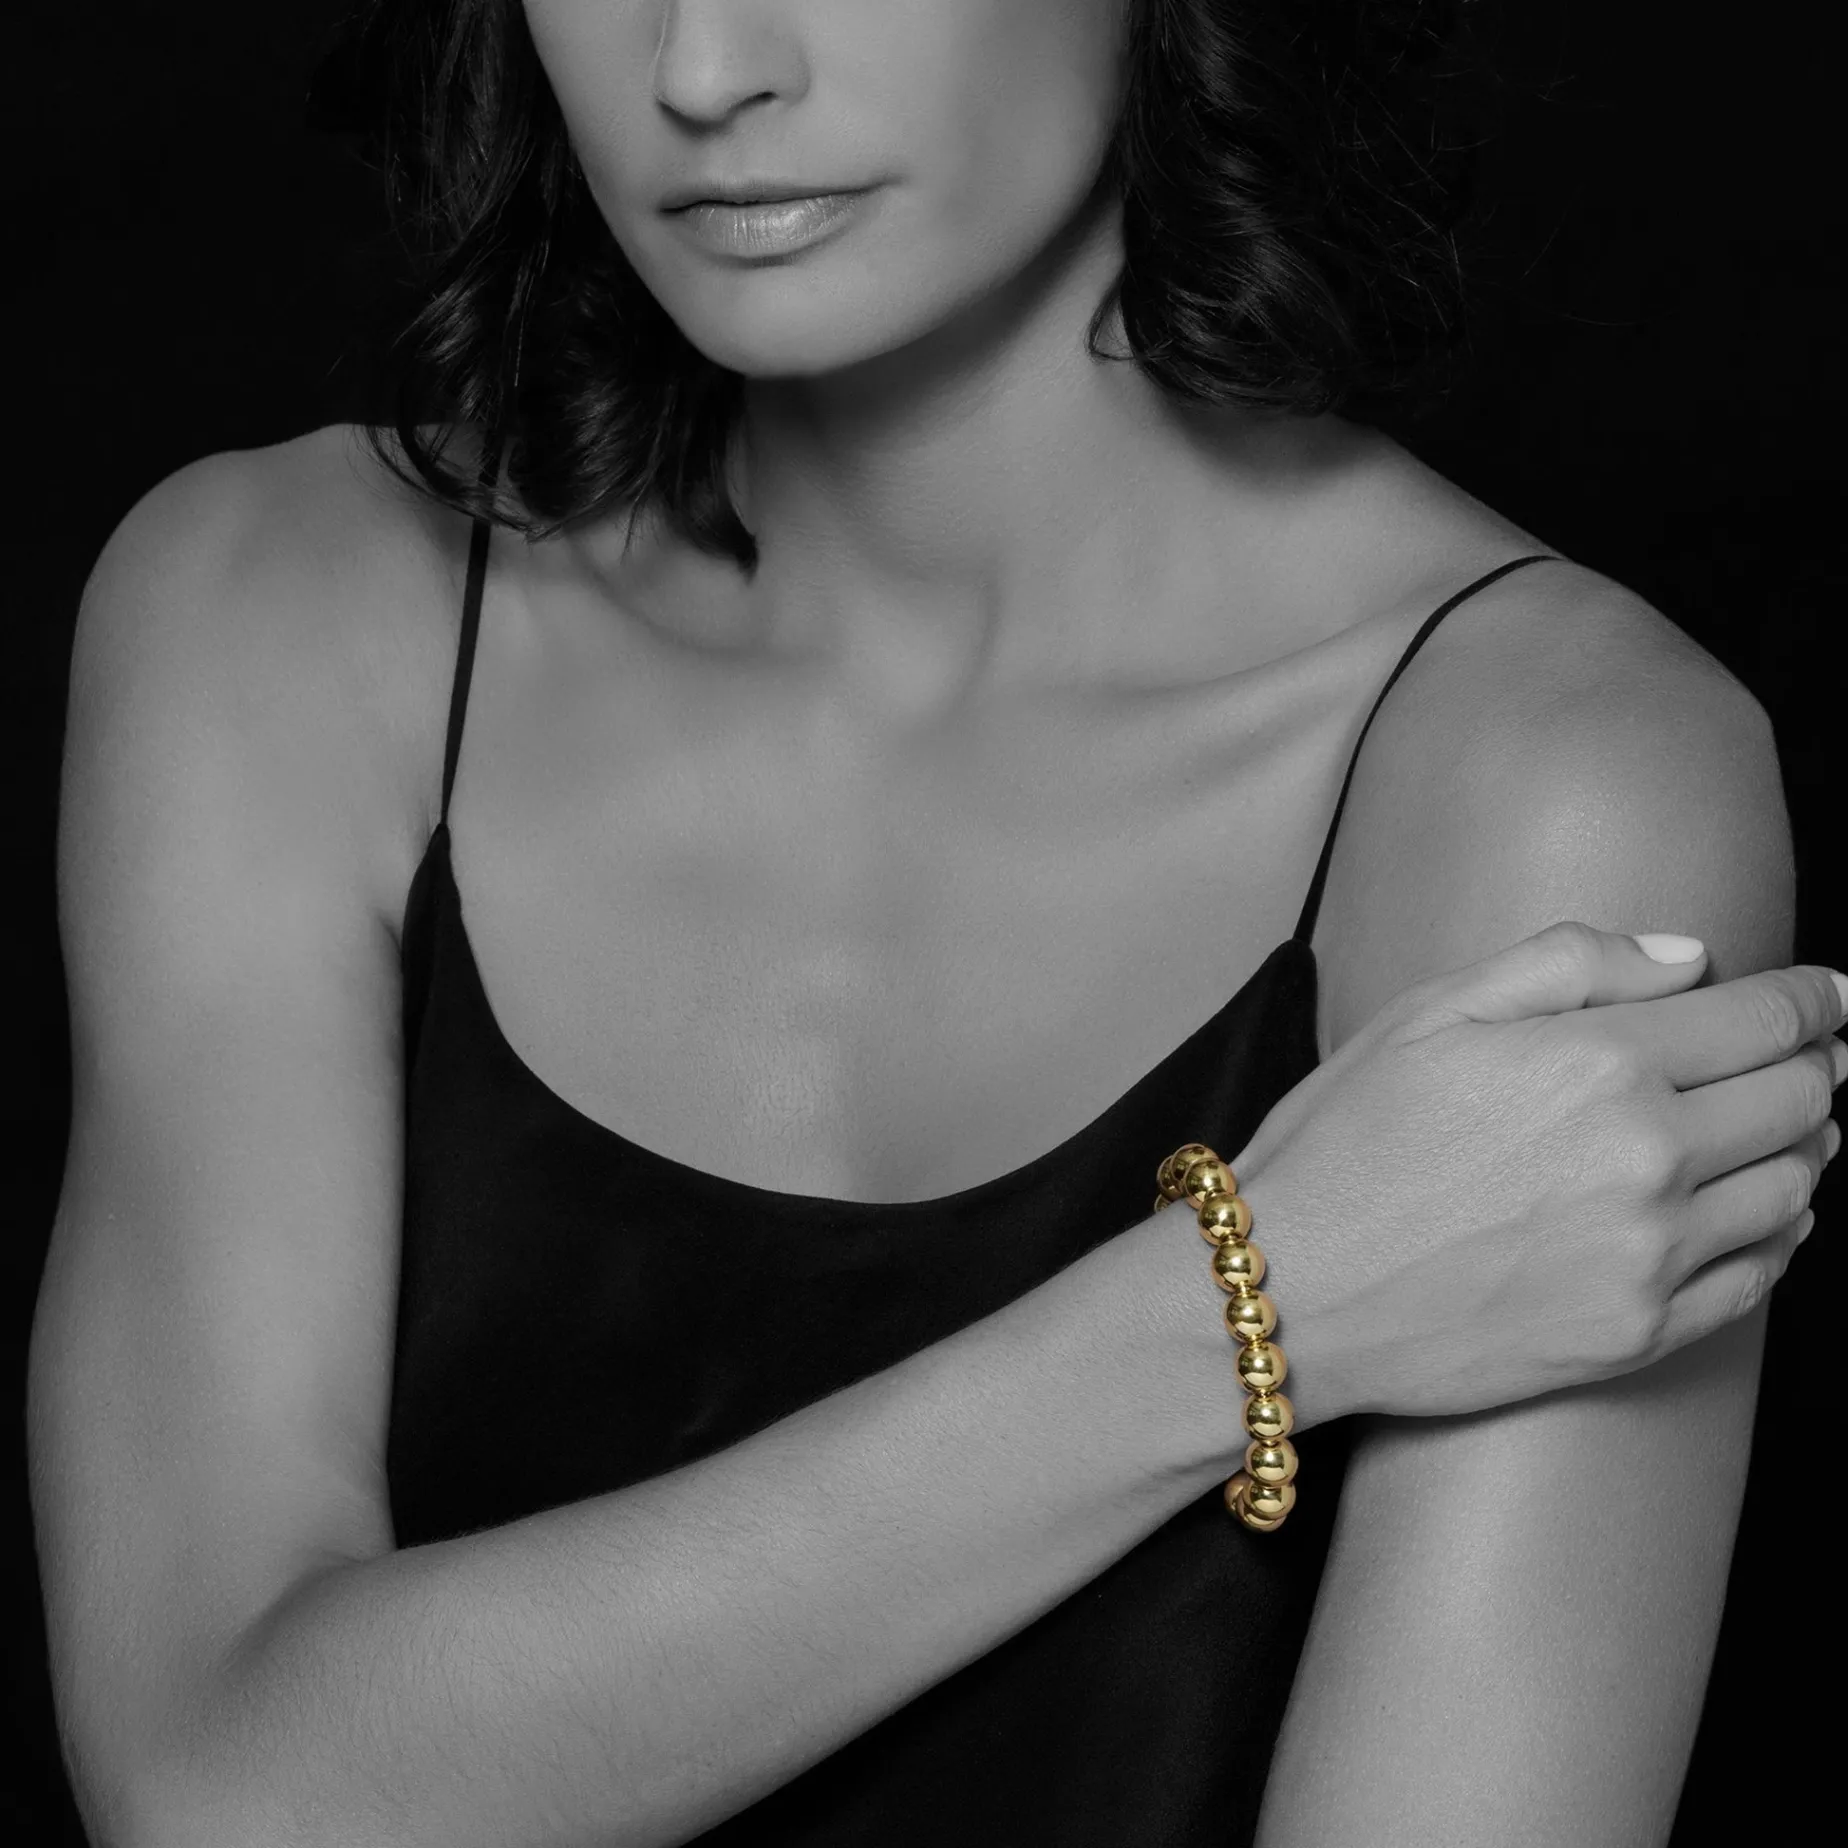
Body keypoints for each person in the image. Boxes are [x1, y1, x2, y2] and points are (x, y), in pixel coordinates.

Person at [27, 3, 1843, 1845]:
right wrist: (1257, 1305)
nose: (703, 68)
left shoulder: (1545, 783)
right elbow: (215, 1797)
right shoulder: (283, 613)